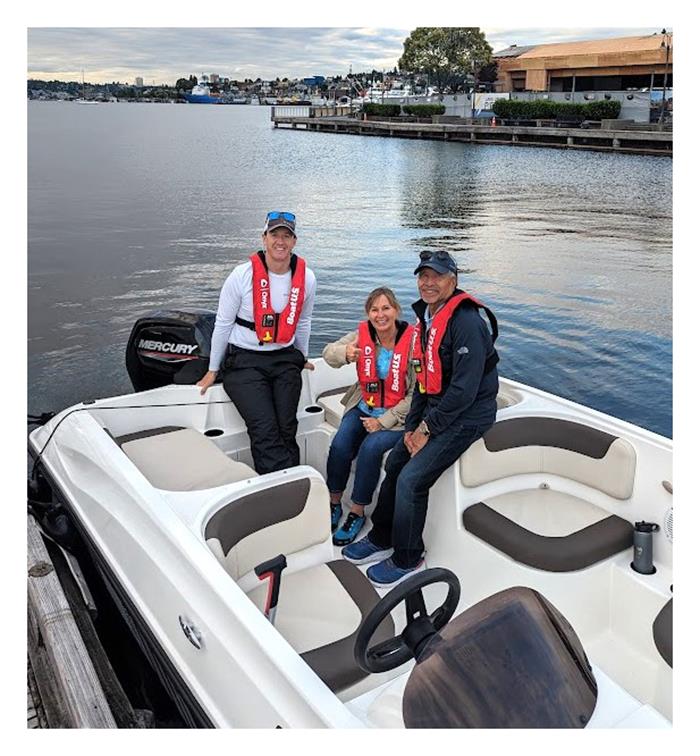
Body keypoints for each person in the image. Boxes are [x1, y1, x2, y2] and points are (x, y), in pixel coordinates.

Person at [342, 250, 499, 587]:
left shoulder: (467, 321)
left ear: (452, 281)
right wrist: (411, 426)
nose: (428, 283)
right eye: (423, 276)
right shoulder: (428, 318)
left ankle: (409, 557)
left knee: (412, 480)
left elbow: (464, 392)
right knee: (396, 460)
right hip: (437, 410)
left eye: (437, 276)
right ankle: (382, 535)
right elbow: (424, 380)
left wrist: (427, 429)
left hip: (470, 414)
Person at [197, 211, 316, 474]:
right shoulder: (241, 276)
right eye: (275, 235)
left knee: (287, 427)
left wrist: (303, 356)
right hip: (245, 361)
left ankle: (293, 482)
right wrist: (213, 369)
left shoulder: (307, 278)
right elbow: (223, 324)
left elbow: (303, 322)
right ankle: (280, 492)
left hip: (285, 358)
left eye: (287, 236)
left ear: (294, 241)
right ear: (264, 238)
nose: (280, 242)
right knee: (265, 430)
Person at [322, 287, 416, 546]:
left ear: (396, 311)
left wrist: (383, 421)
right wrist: (345, 354)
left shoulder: (413, 344)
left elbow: (416, 395)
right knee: (341, 443)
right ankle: (334, 503)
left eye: (386, 308)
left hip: (396, 418)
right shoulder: (361, 336)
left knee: (370, 448)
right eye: (374, 309)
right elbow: (328, 353)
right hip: (364, 406)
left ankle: (357, 512)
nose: (380, 314)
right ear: (368, 314)